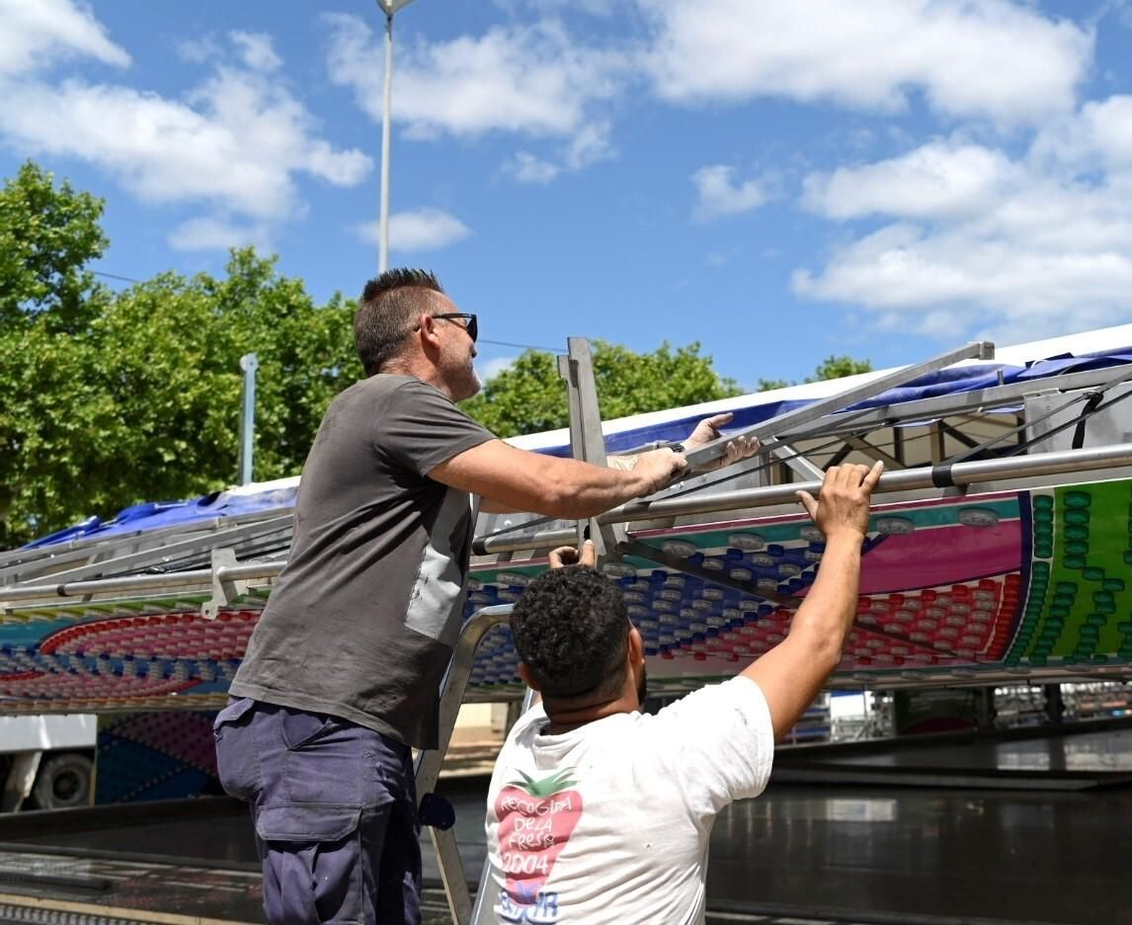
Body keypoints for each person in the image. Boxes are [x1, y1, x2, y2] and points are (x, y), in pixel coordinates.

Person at [213, 268, 754, 925]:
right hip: (323, 722)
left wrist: (671, 457)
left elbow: (535, 485)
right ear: (429, 330)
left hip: (350, 727)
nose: (477, 341)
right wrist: (640, 479)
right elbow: (547, 484)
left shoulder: (415, 439)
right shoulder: (391, 402)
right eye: (469, 325)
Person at [486, 458, 885, 924]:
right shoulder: (671, 755)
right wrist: (845, 533)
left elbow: (551, 667)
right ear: (636, 647)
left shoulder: (517, 756)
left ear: (528, 677)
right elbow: (816, 644)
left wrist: (568, 592)